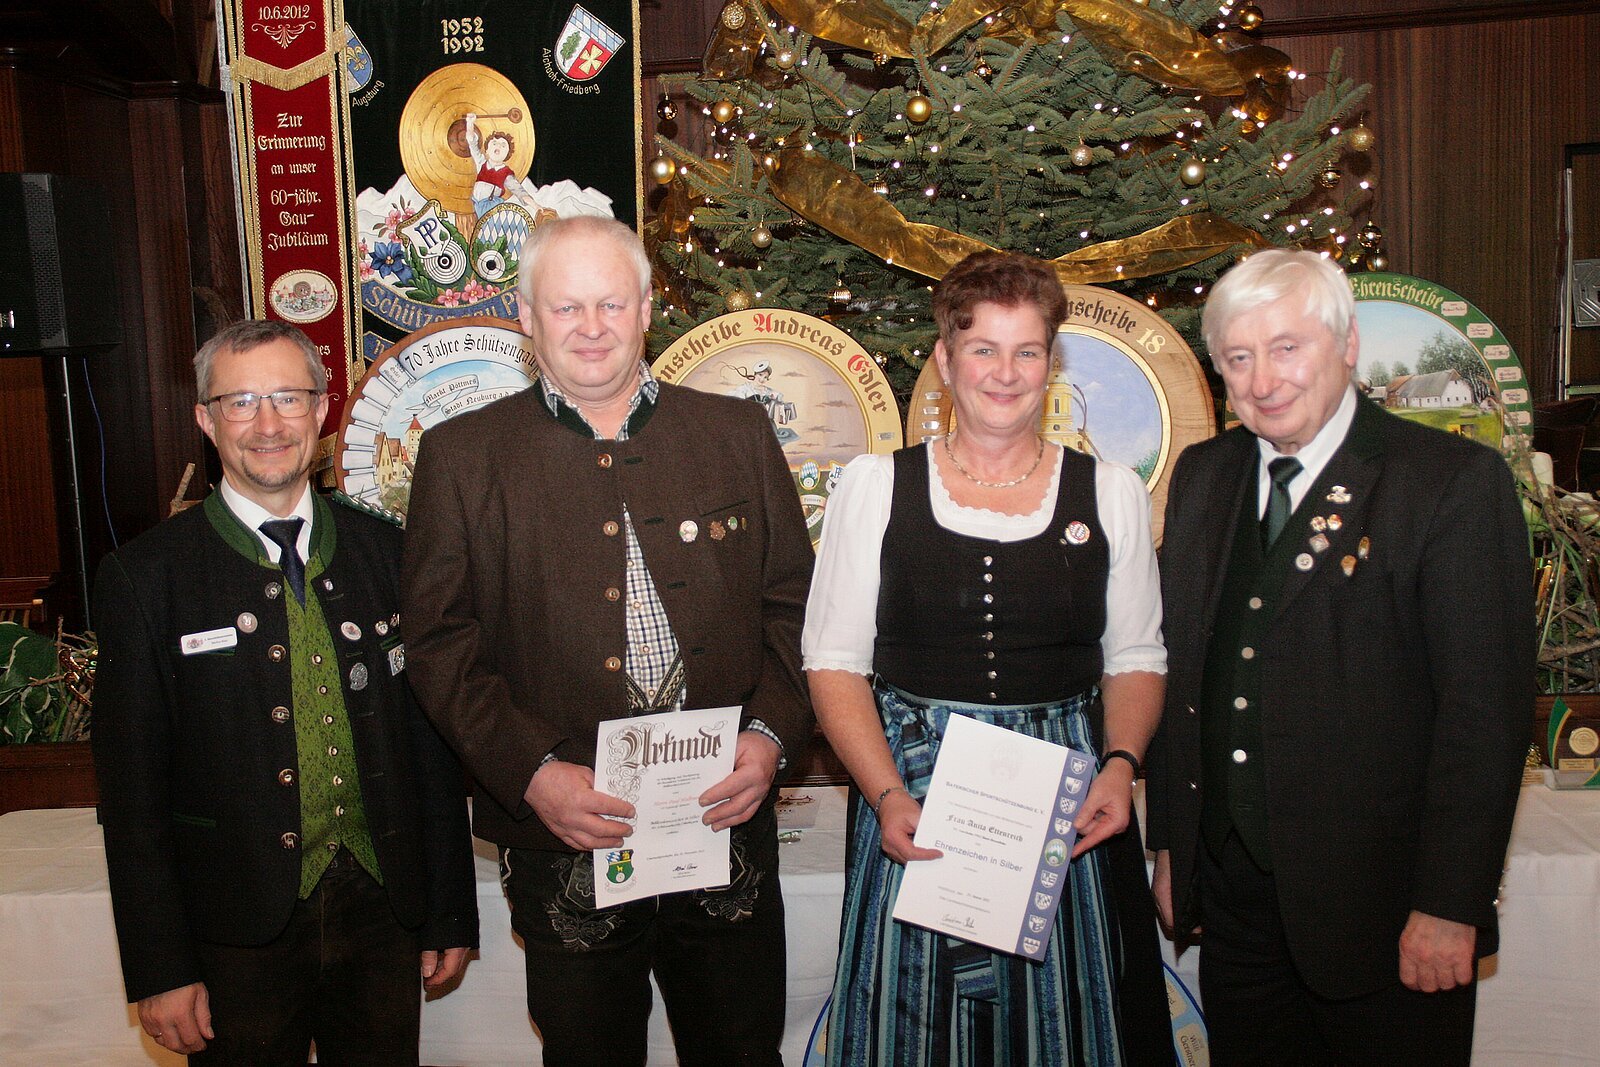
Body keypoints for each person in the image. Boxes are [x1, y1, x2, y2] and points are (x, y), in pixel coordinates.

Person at [402, 214, 814, 1066]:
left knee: (742, 1052)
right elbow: (439, 644)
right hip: (565, 828)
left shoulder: (736, 432)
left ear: (647, 309)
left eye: (611, 304)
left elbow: (797, 609)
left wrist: (771, 736)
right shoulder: (461, 455)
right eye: (566, 307)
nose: (591, 327)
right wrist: (530, 772)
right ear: (527, 316)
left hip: (723, 813)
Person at [1145, 249, 1534, 1065]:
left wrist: (1450, 903)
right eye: (1238, 358)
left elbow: (1484, 716)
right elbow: (1187, 677)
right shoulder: (1204, 476)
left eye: (1287, 347)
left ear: (1348, 344)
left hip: (1388, 916)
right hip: (1237, 908)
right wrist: (1175, 846)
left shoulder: (1450, 482)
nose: (1263, 380)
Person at [803, 251, 1174, 1066]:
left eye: (1026, 351)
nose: (1005, 373)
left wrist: (1120, 765)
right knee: (913, 1030)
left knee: (1066, 1028)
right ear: (945, 359)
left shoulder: (1110, 491)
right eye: (983, 349)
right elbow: (833, 662)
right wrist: (885, 795)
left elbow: (1136, 655)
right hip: (913, 795)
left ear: (1050, 362)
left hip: (1065, 809)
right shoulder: (876, 486)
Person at [91, 319, 479, 1064]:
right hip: (232, 928)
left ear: (322, 411)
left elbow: (427, 748)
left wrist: (449, 910)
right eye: (240, 402)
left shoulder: (389, 551)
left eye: (288, 398)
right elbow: (132, 797)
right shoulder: (146, 577)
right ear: (206, 420)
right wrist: (161, 967)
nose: (267, 424)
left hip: (382, 913)